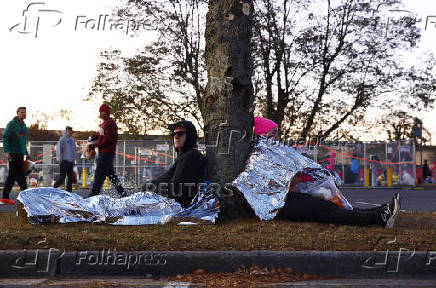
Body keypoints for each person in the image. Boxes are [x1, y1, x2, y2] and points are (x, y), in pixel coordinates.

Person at [253, 117, 401, 228]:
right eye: (273, 134)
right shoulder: (259, 156)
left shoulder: (274, 153)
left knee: (332, 204)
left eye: (277, 134)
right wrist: (295, 181)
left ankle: (379, 212)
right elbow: (273, 184)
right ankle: (377, 218)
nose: (277, 138)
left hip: (286, 199)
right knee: (325, 208)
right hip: (276, 205)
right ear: (261, 134)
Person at [143, 120, 207, 208]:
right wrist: (149, 185)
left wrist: (153, 188)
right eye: (174, 134)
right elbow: (167, 177)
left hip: (182, 208)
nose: (176, 137)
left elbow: (176, 187)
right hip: (176, 205)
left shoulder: (191, 157)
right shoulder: (183, 157)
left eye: (180, 134)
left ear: (190, 136)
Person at [87, 104, 126, 198]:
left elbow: (108, 140)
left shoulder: (110, 124)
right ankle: (124, 195)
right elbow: (102, 136)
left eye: (101, 112)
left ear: (106, 113)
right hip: (105, 154)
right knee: (112, 177)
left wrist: (94, 145)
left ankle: (91, 197)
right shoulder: (105, 123)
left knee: (99, 176)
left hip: (106, 154)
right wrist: (94, 136)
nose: (100, 114)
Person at [1, 107, 29, 204]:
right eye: (21, 112)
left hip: (20, 154)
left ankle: (4, 198)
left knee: (11, 177)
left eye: (25, 112)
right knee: (20, 176)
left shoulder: (23, 126)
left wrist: (26, 152)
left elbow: (22, 140)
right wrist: (6, 151)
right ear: (17, 113)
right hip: (12, 153)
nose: (23, 114)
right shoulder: (12, 124)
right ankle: (27, 198)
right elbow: (5, 137)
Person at [53, 126, 76, 192]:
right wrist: (59, 159)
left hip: (70, 161)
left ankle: (69, 192)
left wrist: (73, 159)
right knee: (62, 177)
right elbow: (59, 150)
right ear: (65, 131)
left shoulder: (72, 140)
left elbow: (74, 150)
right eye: (69, 131)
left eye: (71, 130)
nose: (71, 132)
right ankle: (53, 188)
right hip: (64, 161)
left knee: (70, 178)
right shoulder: (62, 139)